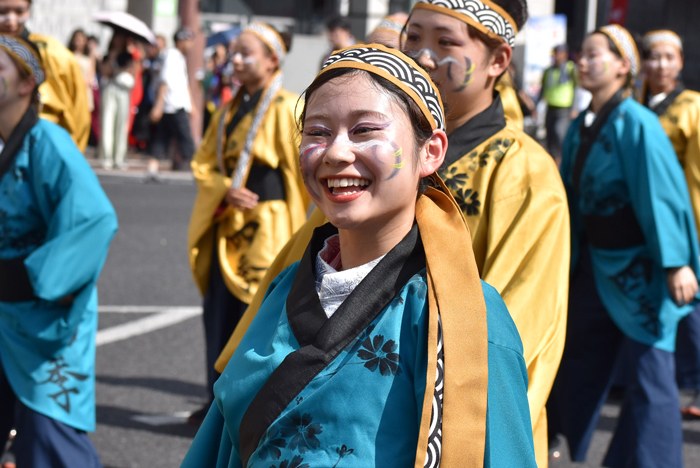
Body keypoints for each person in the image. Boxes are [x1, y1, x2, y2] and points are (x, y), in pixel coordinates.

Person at [214, 2, 569, 467]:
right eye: (413, 38)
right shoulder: (327, 228)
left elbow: (517, 326)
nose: (422, 55)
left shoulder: (523, 172)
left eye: (445, 42)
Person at [549, 24, 700, 468]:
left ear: (622, 67)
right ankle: (558, 440)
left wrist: (676, 263)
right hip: (594, 264)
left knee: (650, 374)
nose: (583, 61)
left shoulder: (638, 122)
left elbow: (661, 194)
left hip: (642, 267)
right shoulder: (581, 125)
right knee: (577, 359)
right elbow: (570, 202)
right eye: (583, 53)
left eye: (596, 54)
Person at [0, 34, 117, 467]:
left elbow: (94, 218)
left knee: (49, 435)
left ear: (27, 82)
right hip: (5, 312)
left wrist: (38, 279)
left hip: (42, 316)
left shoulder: (46, 141)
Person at [186, 22, 309, 425]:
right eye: (234, 53)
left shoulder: (287, 107)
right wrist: (224, 189)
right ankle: (213, 400)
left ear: (273, 60)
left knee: (257, 321)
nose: (235, 60)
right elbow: (204, 163)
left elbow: (304, 172)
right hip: (230, 226)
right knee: (219, 313)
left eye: (246, 52)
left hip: (269, 229)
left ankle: (250, 406)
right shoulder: (227, 109)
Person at [640, 29, 700, 419]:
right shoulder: (635, 104)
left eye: (668, 57)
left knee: (689, 306)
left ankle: (695, 384)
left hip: (682, 222)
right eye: (653, 56)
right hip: (644, 224)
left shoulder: (692, 107)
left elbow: (695, 174)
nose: (660, 64)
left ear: (680, 62)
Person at [0, 0, 90, 151]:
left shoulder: (55, 54)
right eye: (2, 12)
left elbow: (79, 117)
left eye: (19, 11)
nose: (11, 20)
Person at [150, 27, 197, 172]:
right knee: (185, 139)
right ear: (181, 40)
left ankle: (152, 167)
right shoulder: (171, 55)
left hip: (173, 104)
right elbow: (165, 82)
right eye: (188, 40)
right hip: (173, 104)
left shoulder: (179, 57)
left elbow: (184, 84)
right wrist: (158, 106)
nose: (191, 44)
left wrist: (192, 105)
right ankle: (197, 170)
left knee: (162, 139)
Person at [539, 44, 576, 163]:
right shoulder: (548, 70)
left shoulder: (570, 68)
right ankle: (553, 161)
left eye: (559, 53)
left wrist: (575, 107)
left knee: (560, 134)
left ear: (565, 55)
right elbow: (543, 88)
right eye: (555, 53)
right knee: (550, 137)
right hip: (550, 107)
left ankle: (563, 161)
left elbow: (578, 88)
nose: (557, 56)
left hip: (564, 108)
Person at [99, 51, 135, 169]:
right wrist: (112, 57)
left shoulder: (128, 56)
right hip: (110, 90)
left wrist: (117, 71)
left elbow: (133, 72)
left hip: (123, 92)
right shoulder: (109, 54)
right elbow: (104, 72)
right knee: (107, 123)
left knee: (121, 124)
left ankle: (119, 158)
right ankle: (106, 157)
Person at [68, 28, 95, 114]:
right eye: (76, 38)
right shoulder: (69, 55)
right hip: (71, 90)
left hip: (84, 92)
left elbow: (91, 77)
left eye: (80, 39)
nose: (78, 41)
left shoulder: (89, 58)